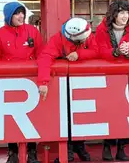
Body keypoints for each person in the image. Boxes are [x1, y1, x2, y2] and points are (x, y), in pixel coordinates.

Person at [37, 17, 98, 162]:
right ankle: (69, 150)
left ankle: (78, 146)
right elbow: (45, 58)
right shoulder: (57, 40)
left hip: (82, 85)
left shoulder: (85, 33)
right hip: (63, 86)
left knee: (80, 117)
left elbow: (96, 50)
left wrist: (80, 55)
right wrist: (43, 82)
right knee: (66, 118)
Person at [0, 2, 43, 163]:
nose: (21, 16)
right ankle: (12, 152)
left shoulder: (33, 31)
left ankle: (32, 151)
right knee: (11, 118)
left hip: (30, 82)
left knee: (32, 117)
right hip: (8, 82)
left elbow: (41, 54)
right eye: (17, 13)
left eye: (22, 13)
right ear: (8, 16)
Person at [95, 0, 129, 161]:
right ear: (114, 14)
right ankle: (107, 145)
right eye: (121, 12)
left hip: (127, 74)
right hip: (109, 74)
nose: (124, 16)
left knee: (126, 110)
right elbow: (100, 50)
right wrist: (115, 52)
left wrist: (128, 52)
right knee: (109, 110)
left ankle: (122, 147)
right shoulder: (102, 29)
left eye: (127, 12)